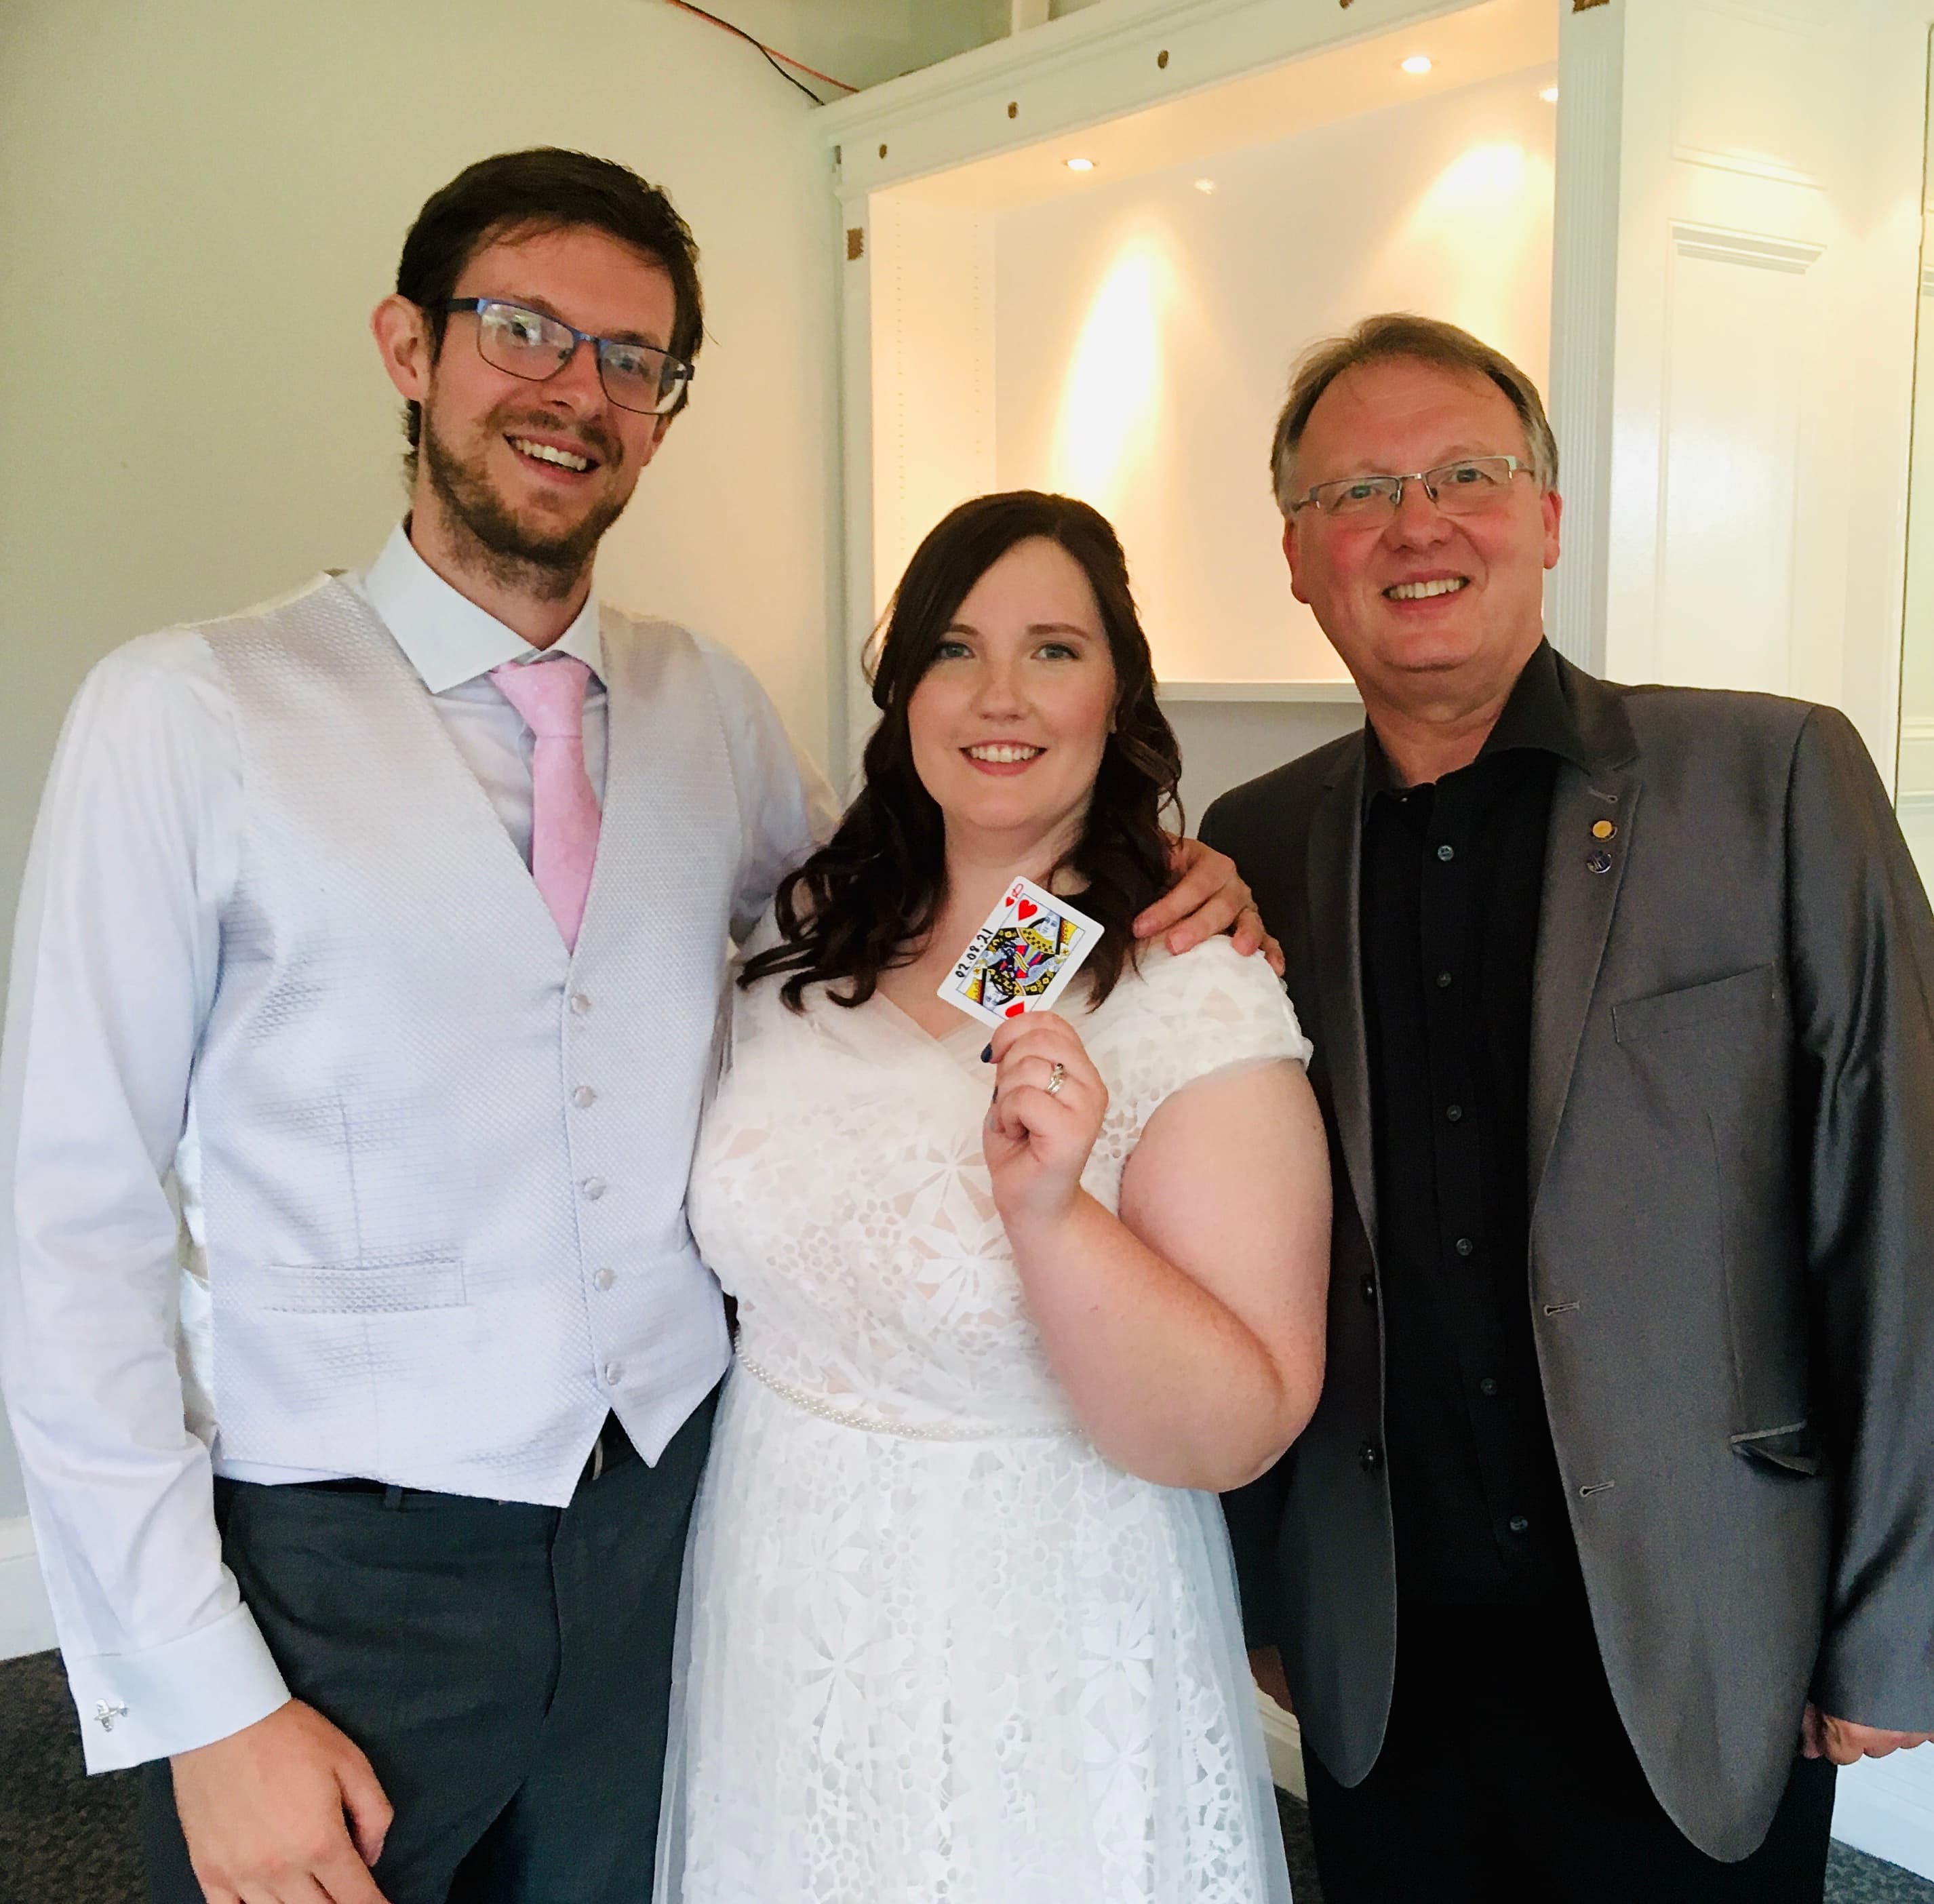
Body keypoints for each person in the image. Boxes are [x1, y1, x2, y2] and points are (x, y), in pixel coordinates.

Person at [0, 152, 1264, 1904]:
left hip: (680, 1537)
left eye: (630, 359)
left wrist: (1146, 884)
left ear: (662, 415)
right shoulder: (185, 715)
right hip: (344, 1577)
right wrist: (199, 1703)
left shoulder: (707, 707)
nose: (572, 389)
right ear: (406, 347)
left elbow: (893, 944)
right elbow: (68, 1229)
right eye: (521, 328)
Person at [1205, 311, 1934, 1903]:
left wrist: (1899, 1621)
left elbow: (1903, 1196)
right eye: (1358, 492)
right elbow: (1225, 1229)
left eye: (1466, 472)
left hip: (1697, 1620)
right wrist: (1267, 1584)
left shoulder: (1774, 780)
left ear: (1543, 516)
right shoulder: (1254, 836)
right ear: (1296, 555)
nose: (1416, 522)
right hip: (1388, 1646)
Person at [653, 490, 1333, 1903]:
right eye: (955, 649)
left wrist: (1052, 1213)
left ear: (1119, 691)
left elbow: (1240, 1419)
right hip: (782, 1570)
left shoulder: (1178, 981)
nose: (1000, 696)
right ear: (902, 689)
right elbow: (914, 1089)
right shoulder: (816, 924)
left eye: (1055, 650)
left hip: (1035, 1611)